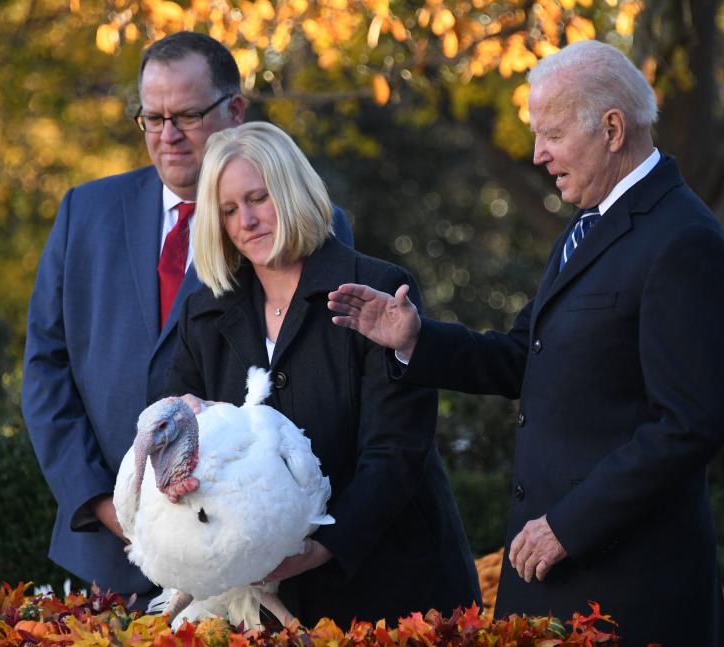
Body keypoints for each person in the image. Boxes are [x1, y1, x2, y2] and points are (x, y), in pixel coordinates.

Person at [327, 40, 724, 646]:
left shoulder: (683, 240)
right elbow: (527, 356)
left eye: (550, 135)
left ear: (612, 128)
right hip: (557, 585)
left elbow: (688, 425)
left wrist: (568, 527)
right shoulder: (588, 226)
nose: (538, 154)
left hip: (628, 594)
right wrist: (416, 339)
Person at [21, 32, 353, 604]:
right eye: (152, 118)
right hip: (110, 552)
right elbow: (46, 373)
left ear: (235, 109)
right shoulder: (84, 212)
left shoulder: (296, 225)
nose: (168, 136)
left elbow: (322, 394)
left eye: (188, 116)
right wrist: (108, 504)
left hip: (250, 561)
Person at [155, 121, 481, 628]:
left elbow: (397, 451)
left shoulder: (377, 288)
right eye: (228, 210)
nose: (246, 220)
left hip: (391, 594)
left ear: (291, 190)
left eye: (258, 198)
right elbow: (171, 412)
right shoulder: (204, 313)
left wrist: (324, 545)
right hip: (262, 607)